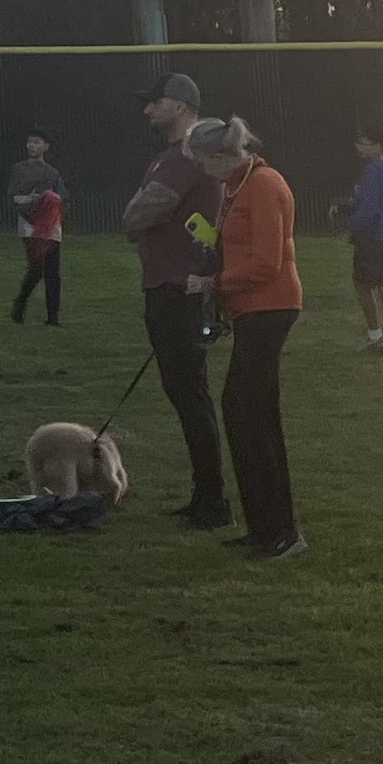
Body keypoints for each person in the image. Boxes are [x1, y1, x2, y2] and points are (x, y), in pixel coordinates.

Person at [186, 117, 305, 559]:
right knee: (246, 413)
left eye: (203, 163)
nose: (203, 171)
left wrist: (213, 283)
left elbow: (267, 263)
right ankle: (267, 528)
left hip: (271, 308)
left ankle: (281, 531)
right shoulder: (237, 186)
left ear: (221, 156)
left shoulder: (264, 185)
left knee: (248, 412)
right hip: (251, 309)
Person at [116, 76, 227, 529]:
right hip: (169, 286)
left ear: (180, 106)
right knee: (184, 392)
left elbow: (142, 212)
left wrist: (132, 219)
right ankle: (206, 497)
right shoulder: (174, 155)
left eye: (154, 102)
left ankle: (214, 502)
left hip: (179, 289)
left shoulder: (186, 155)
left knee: (190, 393)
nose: (147, 112)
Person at [333, 127, 383, 354]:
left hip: (374, 237)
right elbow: (377, 202)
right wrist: (347, 203)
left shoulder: (373, 170)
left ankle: (376, 336)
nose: (360, 147)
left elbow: (369, 209)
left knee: (363, 284)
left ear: (378, 146)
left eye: (365, 143)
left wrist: (348, 228)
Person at [9, 129, 69, 326]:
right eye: (29, 142)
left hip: (50, 224)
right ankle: (21, 301)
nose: (31, 146)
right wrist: (32, 203)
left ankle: (53, 318)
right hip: (29, 224)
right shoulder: (19, 169)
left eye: (36, 142)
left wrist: (49, 201)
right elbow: (14, 197)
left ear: (45, 146)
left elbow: (62, 197)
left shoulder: (53, 172)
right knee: (36, 269)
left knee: (53, 271)